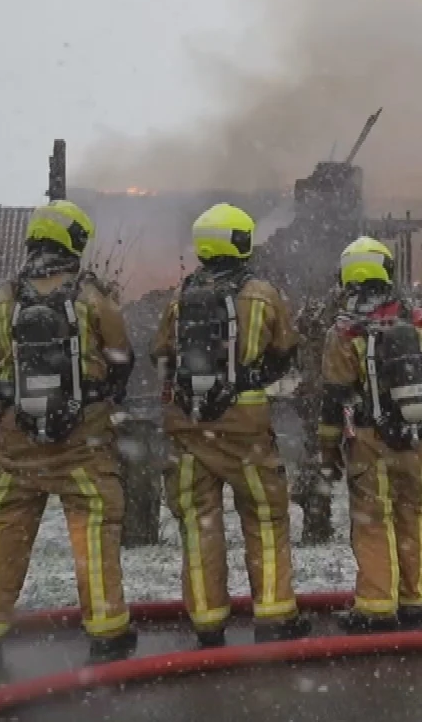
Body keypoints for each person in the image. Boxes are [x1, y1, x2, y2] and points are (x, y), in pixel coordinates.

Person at [0, 199, 136, 665]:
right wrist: (97, 396)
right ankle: (107, 632)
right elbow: (121, 357)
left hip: (16, 444)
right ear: (74, 242)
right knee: (95, 527)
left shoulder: (2, 298)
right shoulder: (92, 297)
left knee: (4, 527)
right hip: (83, 443)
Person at [153, 203, 311, 647]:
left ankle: (207, 621)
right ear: (241, 242)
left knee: (199, 524)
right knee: (266, 516)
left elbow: (160, 352)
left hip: (188, 428)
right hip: (246, 430)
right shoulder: (262, 293)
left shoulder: (180, 297)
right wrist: (253, 375)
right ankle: (275, 615)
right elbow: (286, 347)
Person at [318, 236, 422, 633]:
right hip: (416, 438)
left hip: (370, 441)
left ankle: (375, 607)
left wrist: (328, 449)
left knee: (372, 522)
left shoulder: (344, 332)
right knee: (415, 517)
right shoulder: (419, 321)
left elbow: (335, 398)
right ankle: (413, 601)